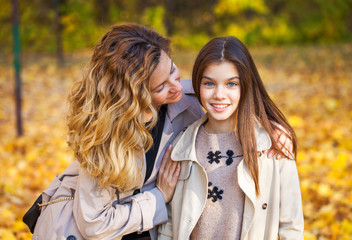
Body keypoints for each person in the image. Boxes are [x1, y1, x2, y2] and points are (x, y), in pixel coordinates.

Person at [30, 24, 293, 240]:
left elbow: (230, 95)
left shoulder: (186, 96)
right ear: (133, 97)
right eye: (160, 88)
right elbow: (94, 225)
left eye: (173, 71)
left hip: (139, 226)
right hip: (78, 231)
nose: (176, 87)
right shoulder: (105, 136)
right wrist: (158, 197)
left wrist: (270, 128)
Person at [157, 36, 304, 240]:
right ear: (197, 85)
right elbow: (169, 227)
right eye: (209, 83)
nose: (219, 94)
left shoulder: (273, 148)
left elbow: (291, 228)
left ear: (245, 85)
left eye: (231, 84)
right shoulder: (182, 148)